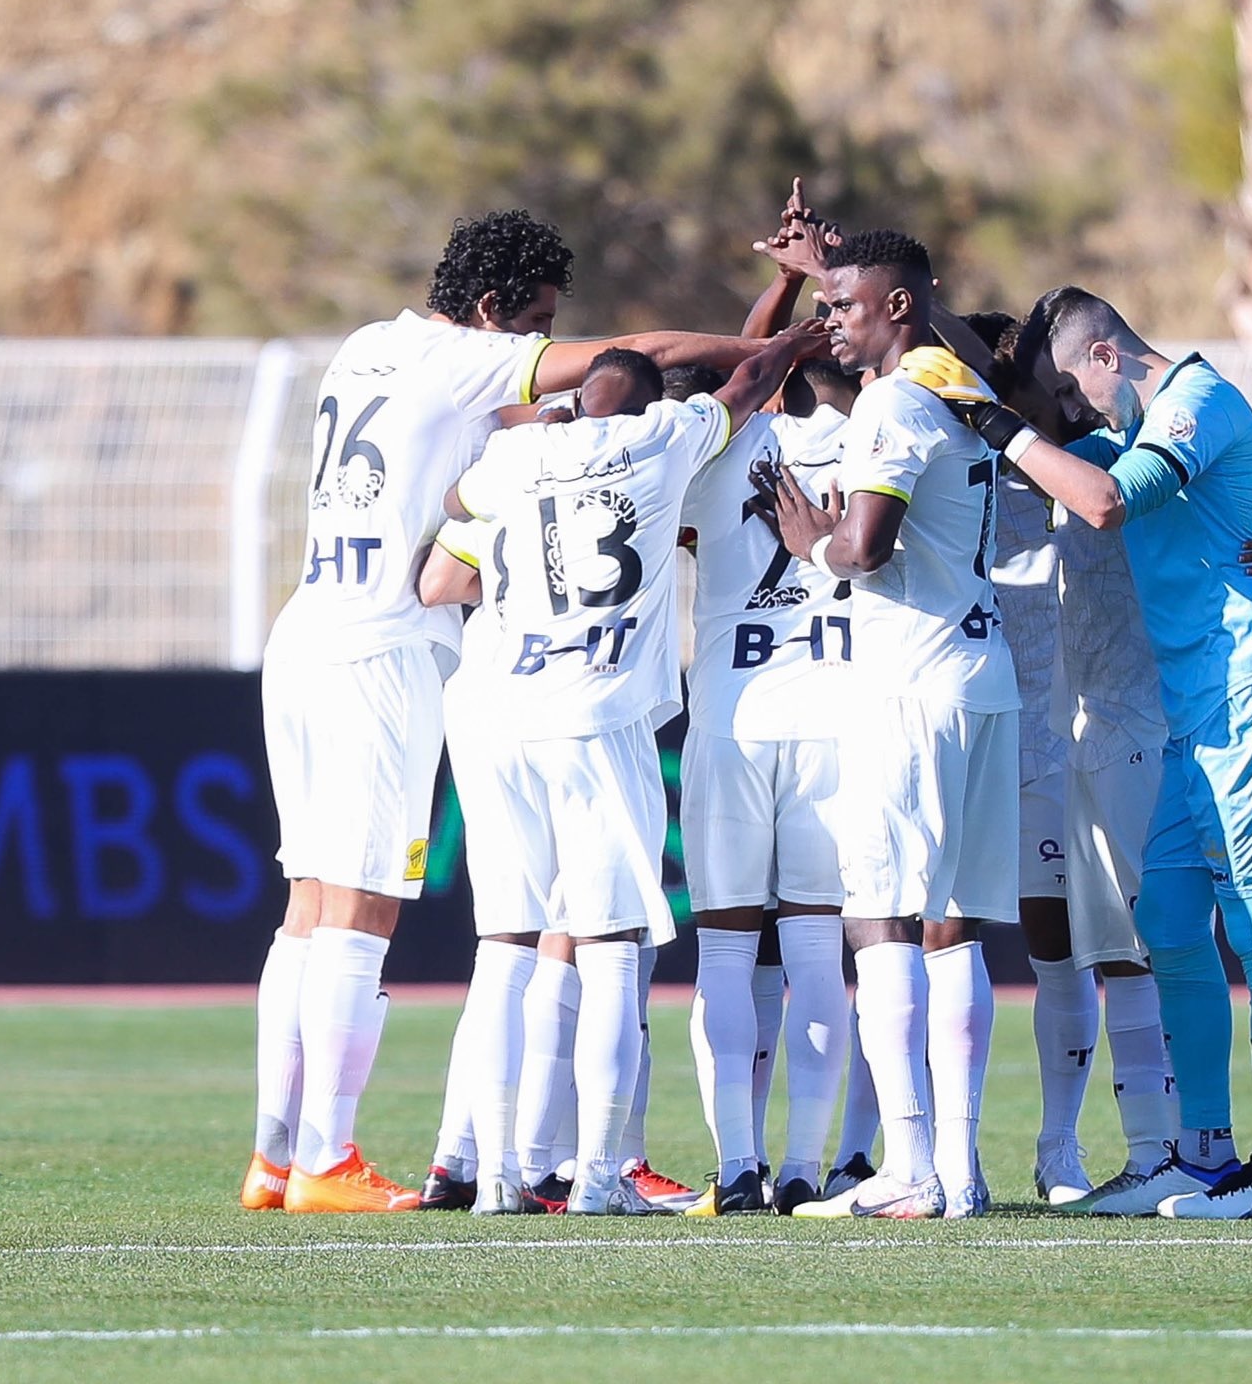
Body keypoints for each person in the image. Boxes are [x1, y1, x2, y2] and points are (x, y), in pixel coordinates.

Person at [244, 209, 764, 1216]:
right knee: (363, 905)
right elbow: (638, 356)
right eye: (532, 324)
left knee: (308, 902)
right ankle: (326, 1155)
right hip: (383, 647)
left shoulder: (368, 347)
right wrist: (772, 344)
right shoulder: (460, 360)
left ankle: (277, 1152)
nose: (544, 355)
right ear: (491, 310)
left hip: (304, 628)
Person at [937, 288, 1252, 1220]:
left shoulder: (1195, 404)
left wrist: (1002, 429)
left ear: (1107, 355)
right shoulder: (1133, 425)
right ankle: (1199, 1158)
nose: (1076, 414)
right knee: (1166, 923)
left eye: (1077, 390)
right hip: (1191, 714)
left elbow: (1107, 503)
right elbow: (1031, 407)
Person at [420, 324, 825, 1214]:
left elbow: (454, 499)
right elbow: (752, 378)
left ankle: (496, 1178)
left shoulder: (521, 451)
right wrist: (795, 337)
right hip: (596, 715)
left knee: (505, 949)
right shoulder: (664, 436)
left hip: (501, 719)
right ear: (649, 403)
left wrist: (550, 434)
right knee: (609, 952)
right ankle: (601, 1176)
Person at [765, 230, 1021, 1221]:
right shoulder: (960, 396)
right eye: (829, 303)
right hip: (980, 676)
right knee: (952, 927)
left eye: (849, 303)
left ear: (902, 308)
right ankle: (958, 1170)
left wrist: (814, 542)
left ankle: (911, 1165)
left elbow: (865, 550)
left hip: (910, 686)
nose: (833, 320)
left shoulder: (892, 401)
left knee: (879, 914)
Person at [679, 350, 858, 1215]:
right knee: (820, 953)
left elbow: (743, 368)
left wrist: (782, 298)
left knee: (724, 952)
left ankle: (739, 1168)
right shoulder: (867, 441)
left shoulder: (714, 455)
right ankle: (804, 1168)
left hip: (730, 724)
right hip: (833, 719)